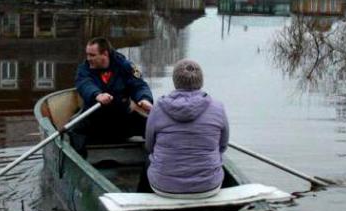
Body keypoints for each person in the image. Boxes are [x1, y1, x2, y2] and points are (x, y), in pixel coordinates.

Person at [138, 59, 229, 198]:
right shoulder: (218, 107)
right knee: (217, 158)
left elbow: (150, 146)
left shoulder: (158, 108)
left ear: (175, 81)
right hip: (209, 188)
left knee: (148, 160)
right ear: (201, 81)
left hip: (164, 188)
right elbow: (222, 146)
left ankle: (140, 202)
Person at [71, 37, 153, 157]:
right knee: (73, 130)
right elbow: (84, 84)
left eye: (92, 55)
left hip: (121, 120)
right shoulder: (84, 69)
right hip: (95, 120)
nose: (88, 59)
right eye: (87, 55)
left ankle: (155, 161)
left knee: (152, 125)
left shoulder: (126, 66)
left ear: (105, 54)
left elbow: (139, 85)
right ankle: (80, 162)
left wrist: (144, 99)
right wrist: (97, 95)